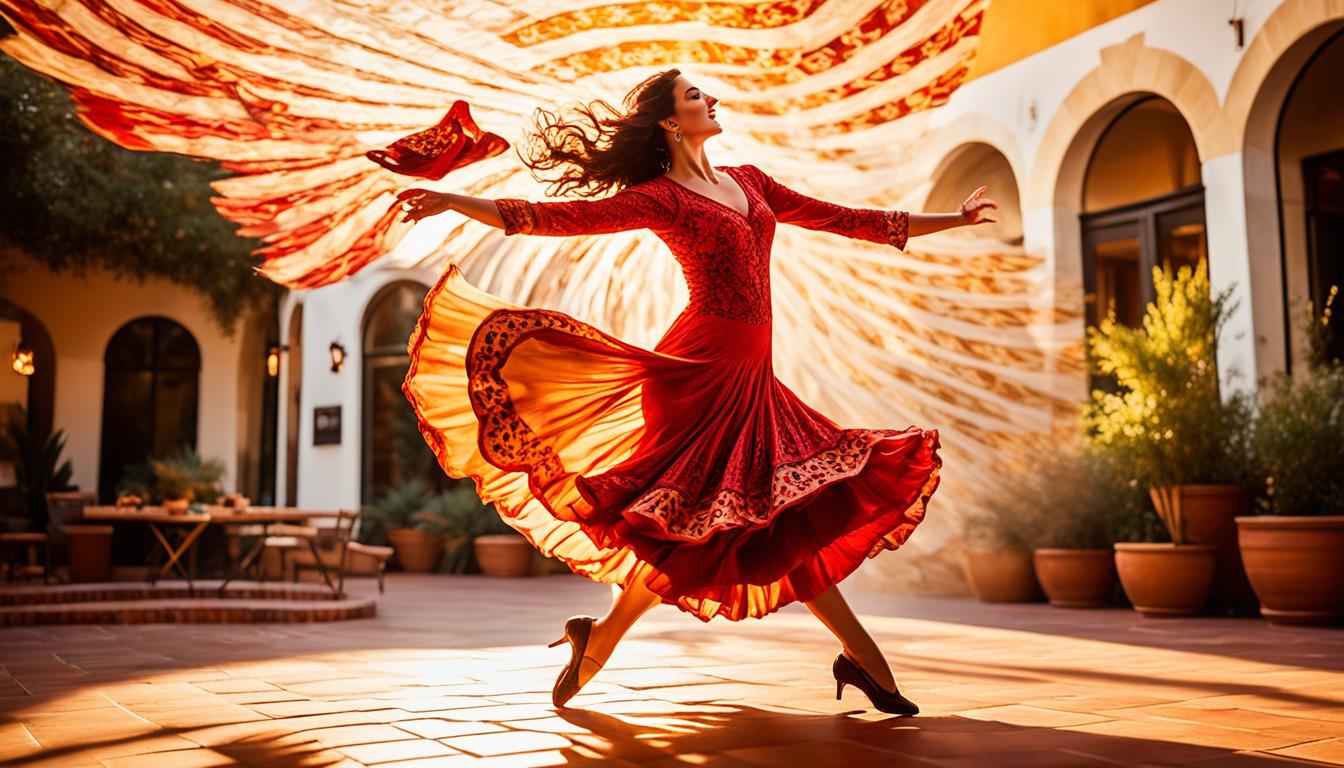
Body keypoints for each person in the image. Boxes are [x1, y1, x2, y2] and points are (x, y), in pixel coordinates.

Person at [395, 69, 998, 715]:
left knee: (775, 519)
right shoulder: (661, 197)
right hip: (696, 373)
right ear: (670, 122)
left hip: (752, 377)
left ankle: (603, 641)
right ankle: (862, 664)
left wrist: (953, 221)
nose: (712, 101)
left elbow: (846, 219)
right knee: (724, 524)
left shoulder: (752, 181)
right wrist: (458, 202)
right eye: (695, 96)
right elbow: (562, 218)